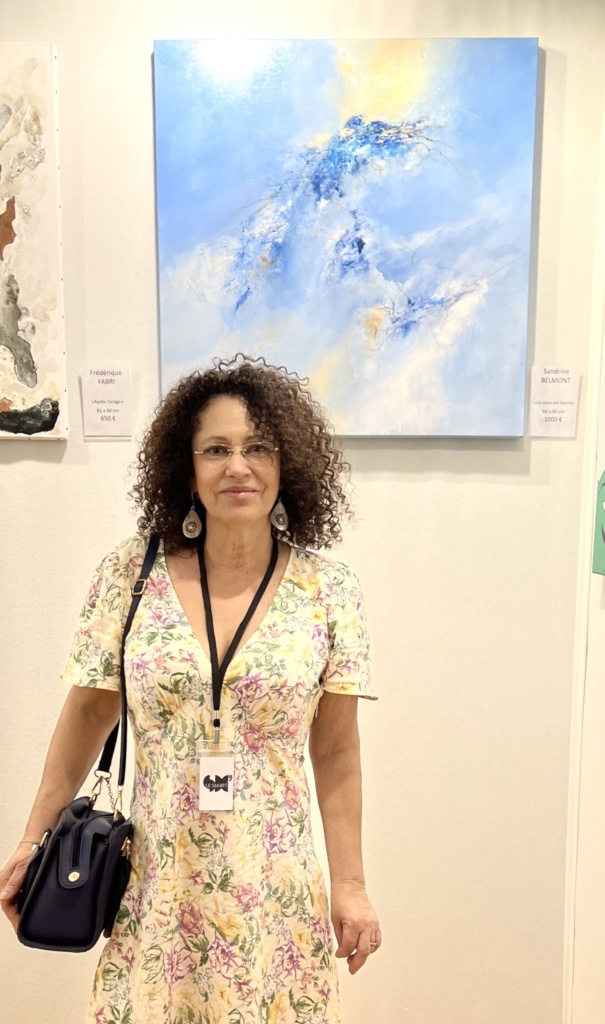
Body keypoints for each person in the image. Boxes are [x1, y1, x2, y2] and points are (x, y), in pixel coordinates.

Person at [0, 354, 380, 1024]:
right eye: (216, 449)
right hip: (157, 889)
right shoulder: (129, 574)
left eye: (258, 447)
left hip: (274, 896)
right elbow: (87, 712)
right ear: (186, 467)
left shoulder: (329, 591)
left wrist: (349, 884)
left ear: (287, 463)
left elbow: (336, 752)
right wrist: (33, 842)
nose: (239, 466)